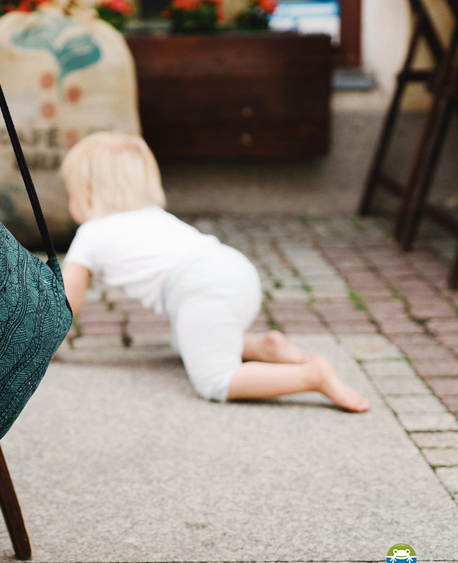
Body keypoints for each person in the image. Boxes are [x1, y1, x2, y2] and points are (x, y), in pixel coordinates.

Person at [59, 131, 370, 412]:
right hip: (234, 269)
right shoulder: (152, 215)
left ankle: (311, 376)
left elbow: (65, 305)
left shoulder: (91, 234)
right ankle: (263, 346)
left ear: (86, 195)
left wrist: (43, 351)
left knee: (215, 381)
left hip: (201, 287)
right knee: (188, 339)